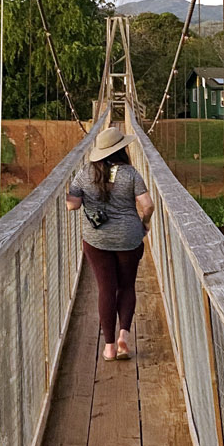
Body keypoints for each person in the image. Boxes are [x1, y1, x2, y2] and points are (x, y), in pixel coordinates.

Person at [66, 124, 154, 362]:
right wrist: (144, 223)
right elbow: (148, 205)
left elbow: (72, 204)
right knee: (126, 286)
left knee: (106, 288)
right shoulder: (131, 173)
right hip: (129, 238)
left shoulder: (85, 173)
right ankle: (124, 336)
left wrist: (78, 195)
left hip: (96, 240)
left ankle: (109, 347)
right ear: (121, 149)